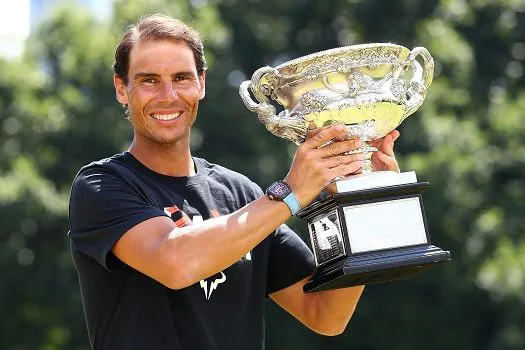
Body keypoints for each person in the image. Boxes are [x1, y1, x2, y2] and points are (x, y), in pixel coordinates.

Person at [68, 13, 401, 350]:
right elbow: (175, 264)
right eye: (149, 80)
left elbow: (326, 315)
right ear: (121, 89)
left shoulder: (242, 194)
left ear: (201, 84)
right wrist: (291, 193)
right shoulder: (101, 185)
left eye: (182, 77)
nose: (167, 95)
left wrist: (357, 205)